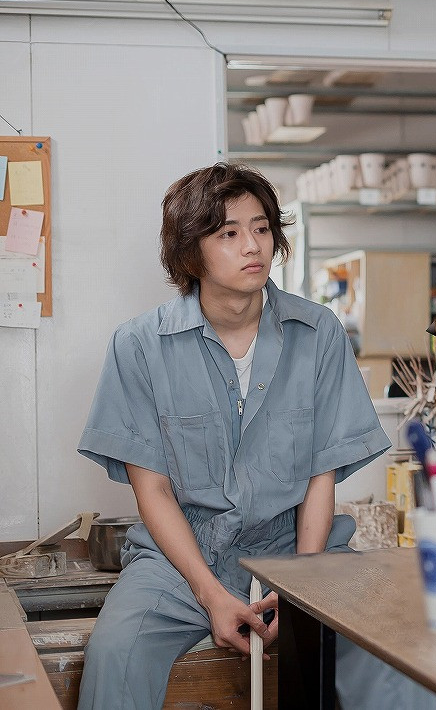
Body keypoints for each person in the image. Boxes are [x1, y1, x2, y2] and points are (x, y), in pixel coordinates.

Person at [75, 163, 393, 710]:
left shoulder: (319, 336)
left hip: (297, 550)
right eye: (229, 232)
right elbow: (152, 490)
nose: (253, 245)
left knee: (385, 658)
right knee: (114, 657)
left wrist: (299, 590)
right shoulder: (139, 346)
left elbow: (322, 476)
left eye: (262, 227)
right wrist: (210, 592)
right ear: (189, 252)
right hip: (178, 562)